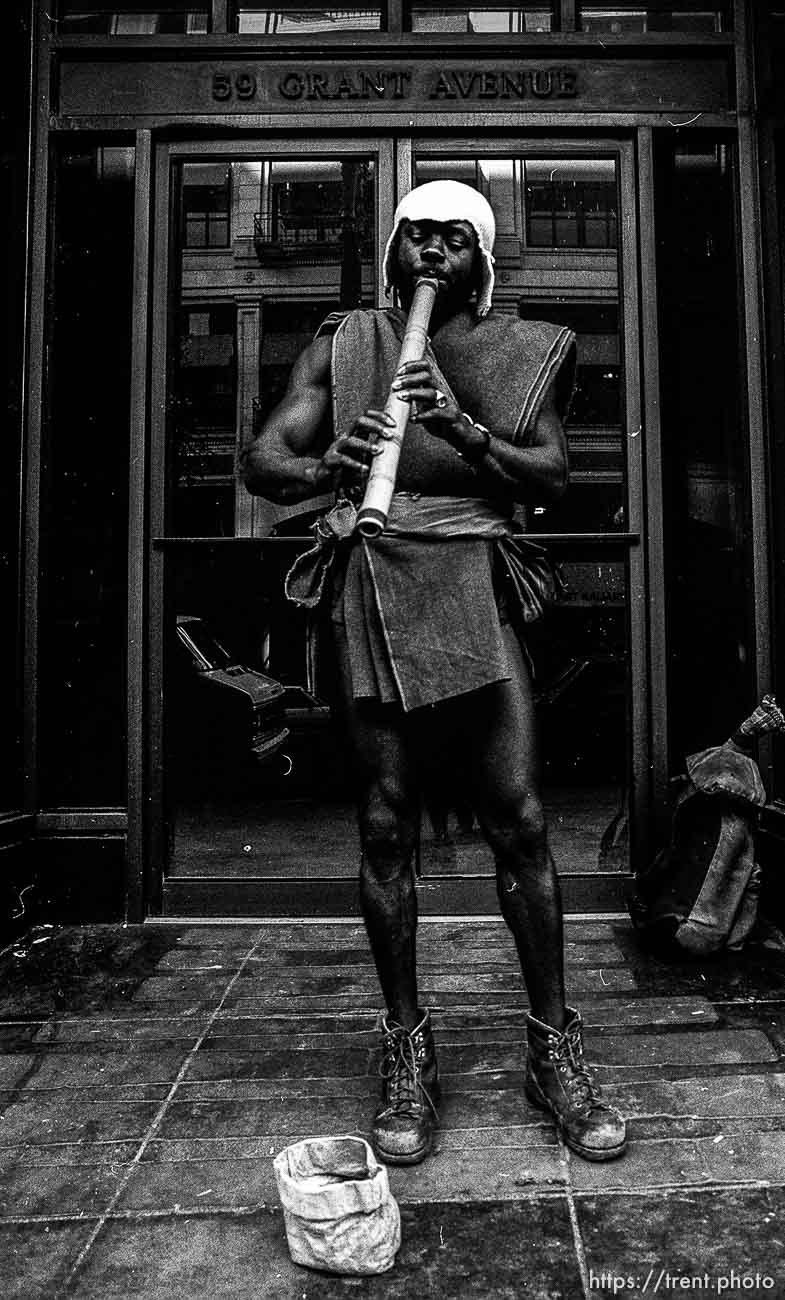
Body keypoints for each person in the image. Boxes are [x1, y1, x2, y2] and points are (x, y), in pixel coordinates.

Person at [241, 180, 627, 1165]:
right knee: (382, 822)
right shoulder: (343, 341)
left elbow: (549, 474)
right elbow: (261, 458)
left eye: (454, 240)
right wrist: (334, 464)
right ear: (393, 251)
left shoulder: (527, 349)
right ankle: (406, 1048)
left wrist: (457, 427)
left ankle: (553, 1053)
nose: (429, 253)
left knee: (522, 817)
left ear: (481, 263)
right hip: (371, 583)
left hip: (472, 581)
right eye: (415, 235)